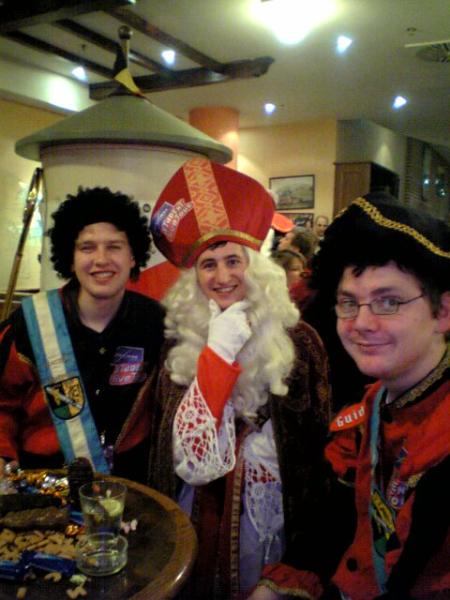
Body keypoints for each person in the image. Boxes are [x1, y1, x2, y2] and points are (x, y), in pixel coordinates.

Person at [145, 157, 333, 599]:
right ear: (194, 278)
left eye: (234, 260)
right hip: (195, 509)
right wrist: (217, 352)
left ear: (256, 267)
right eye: (208, 265)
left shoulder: (301, 341)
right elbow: (179, 457)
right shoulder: (178, 342)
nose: (223, 276)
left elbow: (316, 452)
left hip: (271, 513)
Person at [295, 193, 450, 599]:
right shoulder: (373, 405)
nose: (361, 322)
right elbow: (340, 521)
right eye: (349, 302)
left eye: (388, 302)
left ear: (444, 312)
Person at [0, 187, 165, 483]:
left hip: (127, 488)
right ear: (70, 258)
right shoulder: (32, 321)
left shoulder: (154, 322)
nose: (101, 259)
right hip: (42, 485)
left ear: (132, 256)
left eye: (114, 246)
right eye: (87, 248)